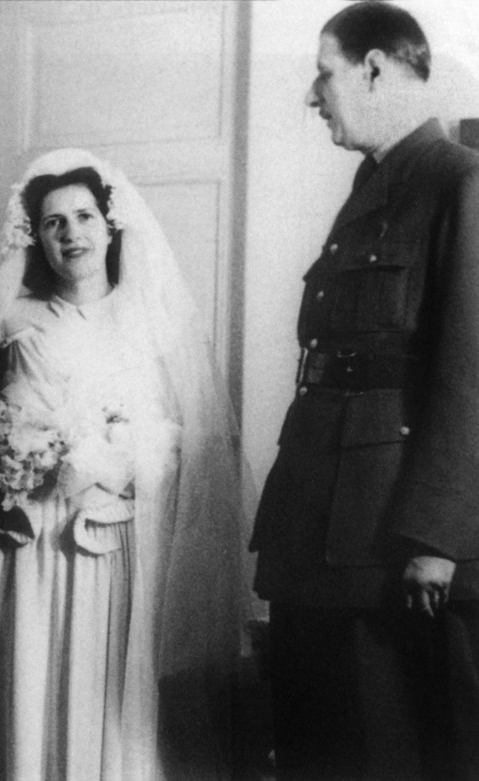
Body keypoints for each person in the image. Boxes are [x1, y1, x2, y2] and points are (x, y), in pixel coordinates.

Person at [251, 4, 479, 779]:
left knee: (393, 749)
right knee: (326, 744)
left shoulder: (459, 181)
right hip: (324, 525)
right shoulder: (376, 185)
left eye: (324, 72)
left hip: (392, 537)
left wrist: (436, 538)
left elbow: (468, 369)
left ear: (375, 67)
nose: (313, 96)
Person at [0, 149, 247, 781]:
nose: (71, 234)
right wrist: (23, 453)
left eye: (84, 216)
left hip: (118, 536)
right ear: (34, 237)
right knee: (32, 677)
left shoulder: (150, 319)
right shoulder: (10, 317)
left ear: (110, 224)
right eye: (53, 223)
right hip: (33, 540)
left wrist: (117, 456)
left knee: (109, 688)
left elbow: (183, 437)